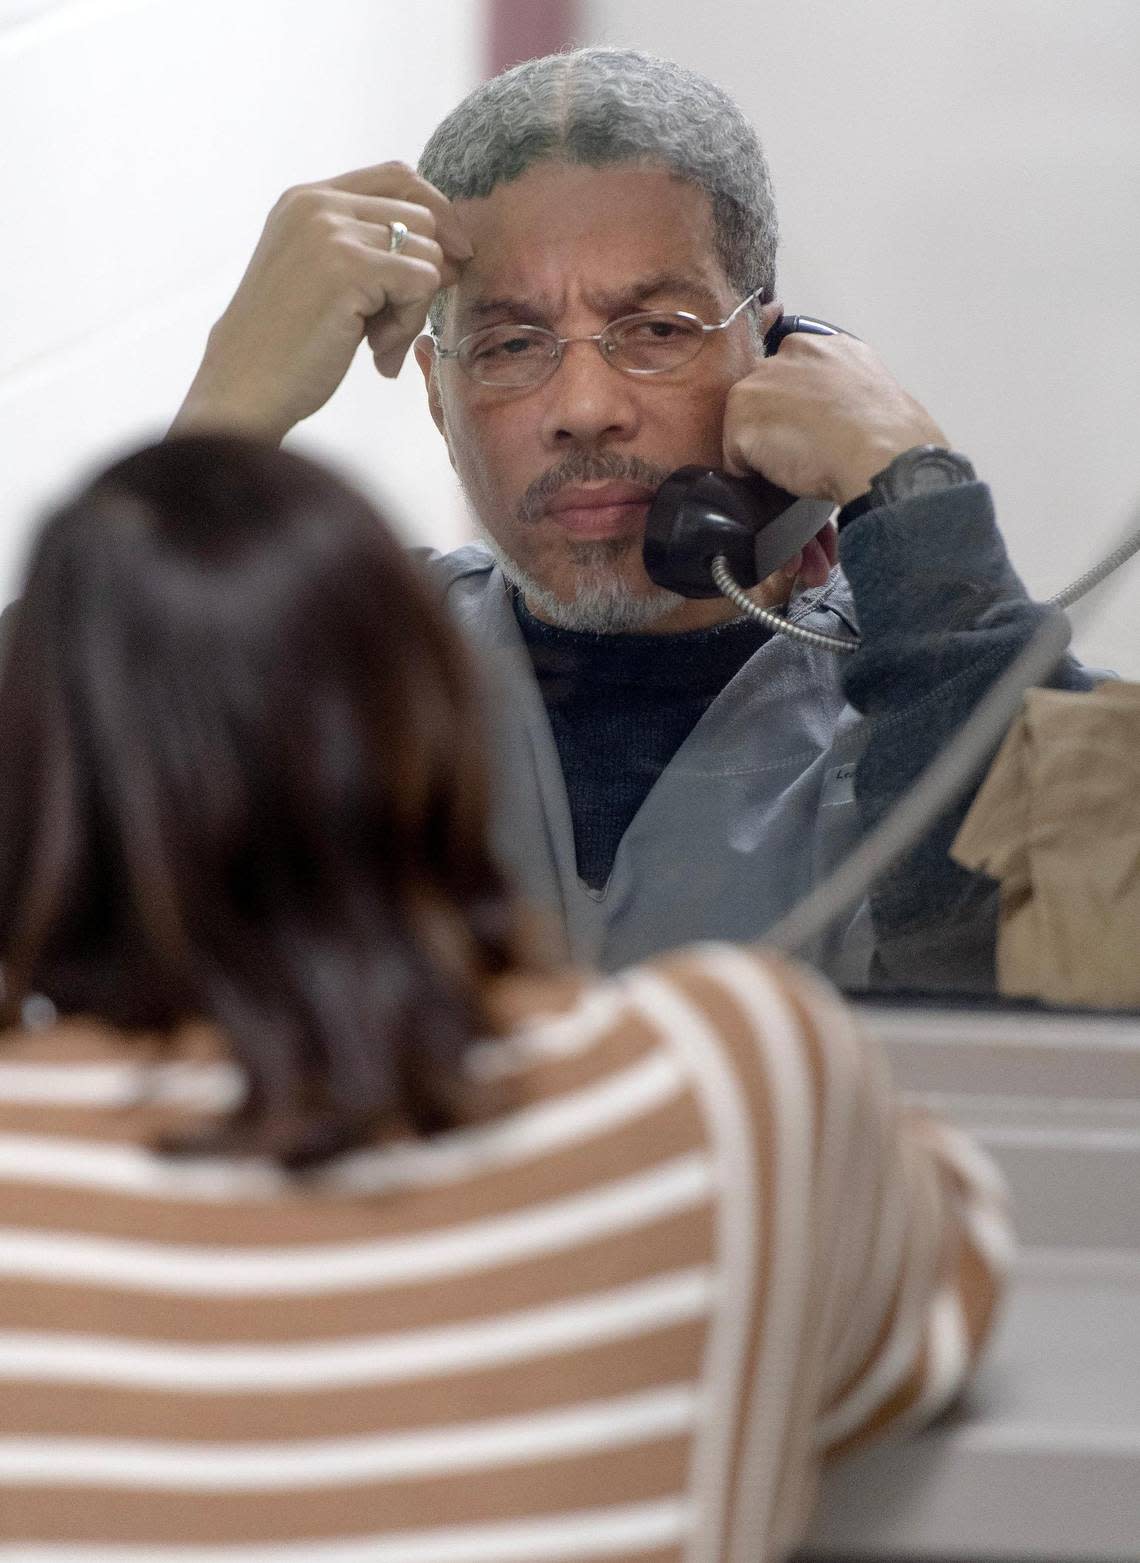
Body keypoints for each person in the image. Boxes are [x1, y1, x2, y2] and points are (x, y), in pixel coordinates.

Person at [0, 434, 1009, 1560]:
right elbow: (947, 1277)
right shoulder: (733, 1083)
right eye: (514, 341)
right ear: (439, 725)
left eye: (655, 330)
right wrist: (904, 473)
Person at [171, 47, 1094, 989]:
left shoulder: (934, 679)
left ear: (774, 358)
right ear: (440, 402)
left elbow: (1065, 1019)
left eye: (656, 331)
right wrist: (219, 430)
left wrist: (914, 505)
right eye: (511, 343)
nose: (583, 404)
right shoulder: (338, 679)